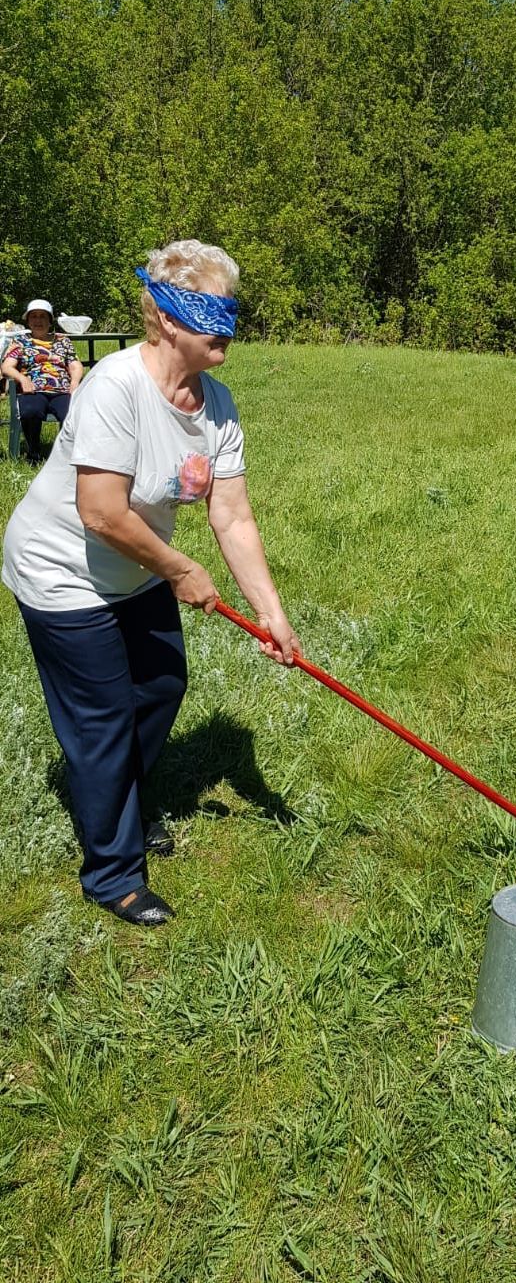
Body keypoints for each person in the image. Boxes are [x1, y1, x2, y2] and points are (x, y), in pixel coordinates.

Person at [1, 241, 299, 927]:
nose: (226, 326)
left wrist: (272, 613)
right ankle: (112, 873)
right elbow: (101, 512)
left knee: (162, 686)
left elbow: (232, 514)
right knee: (103, 718)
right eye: (208, 313)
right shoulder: (115, 387)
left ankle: (121, 808)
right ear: (164, 318)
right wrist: (180, 568)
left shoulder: (216, 405)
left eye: (232, 312)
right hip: (62, 572)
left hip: (135, 568)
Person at [0, 299, 83, 464]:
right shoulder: (20, 342)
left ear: (50, 320)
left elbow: (75, 365)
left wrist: (75, 383)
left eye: (43, 316)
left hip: (62, 390)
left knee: (72, 413)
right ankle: (34, 452)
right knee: (31, 410)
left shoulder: (63, 340)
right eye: (34, 317)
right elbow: (7, 367)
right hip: (32, 389)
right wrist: (22, 378)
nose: (38, 321)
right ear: (28, 320)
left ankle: (68, 456)